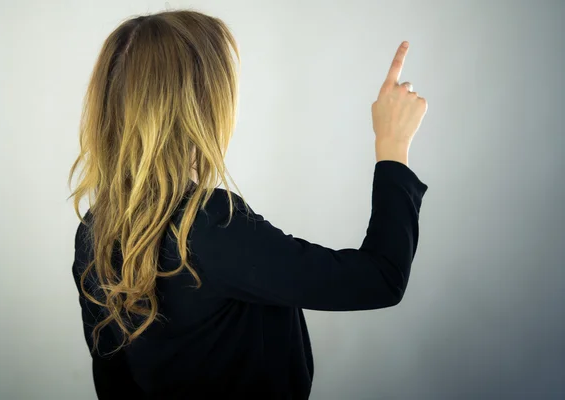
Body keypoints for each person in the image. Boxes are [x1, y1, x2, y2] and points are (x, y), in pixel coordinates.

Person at [69, 9, 428, 400]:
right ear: (202, 104)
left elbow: (114, 386)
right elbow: (380, 279)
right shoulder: (206, 225)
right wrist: (392, 147)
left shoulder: (94, 230)